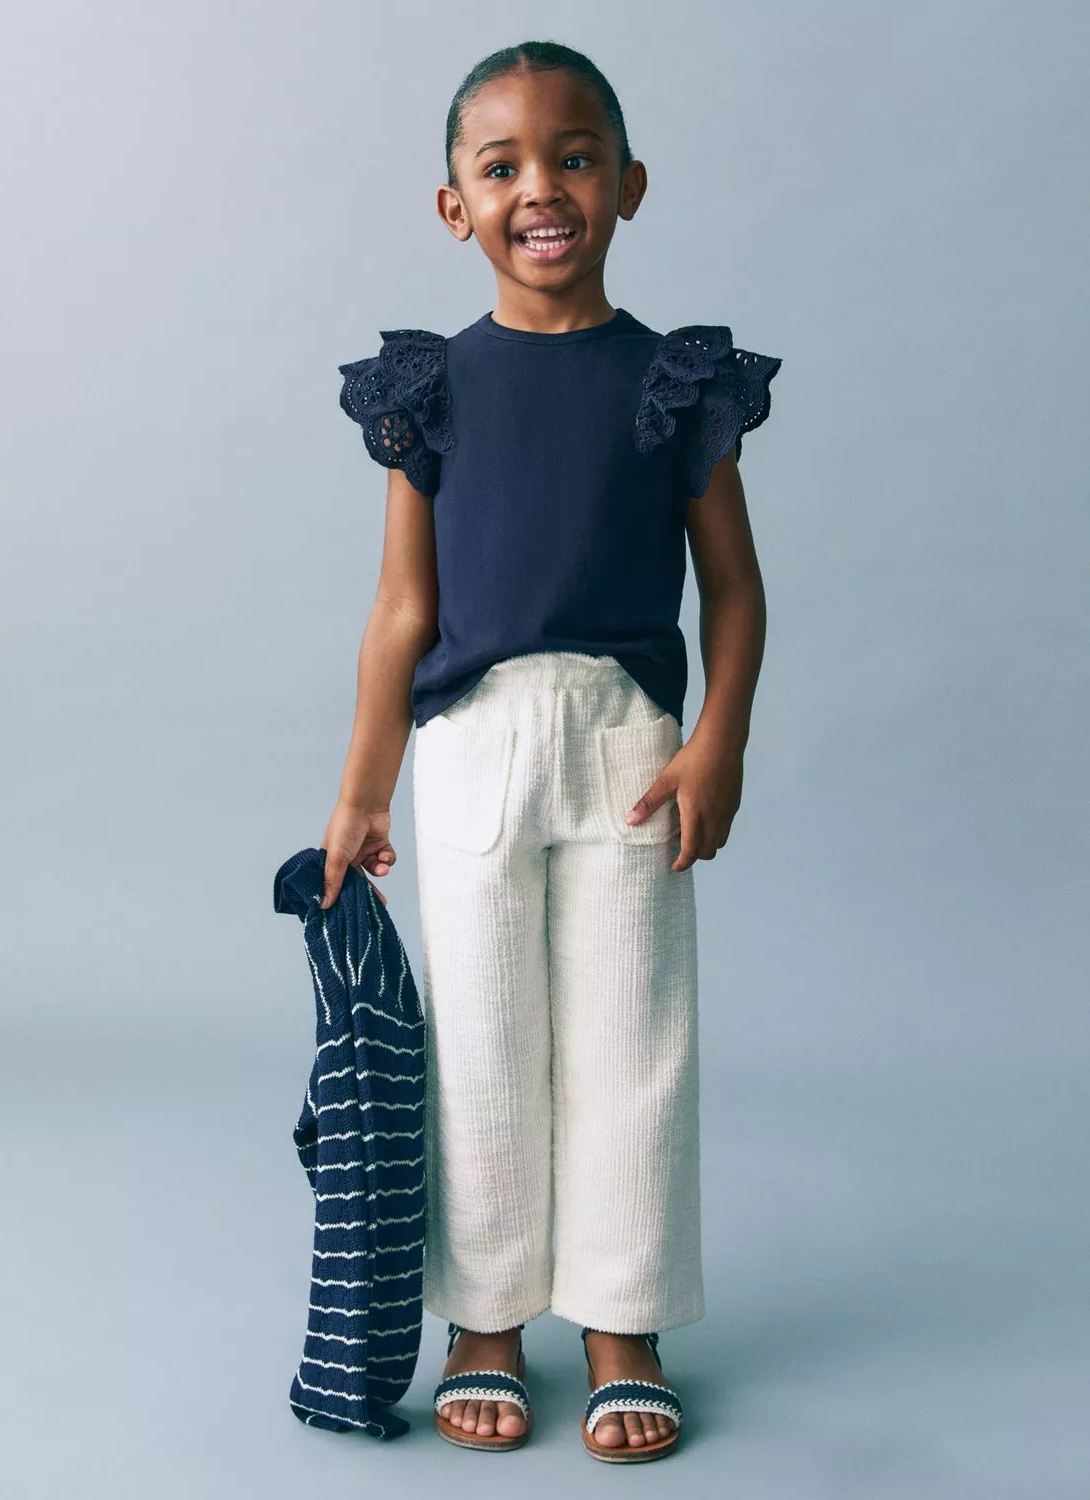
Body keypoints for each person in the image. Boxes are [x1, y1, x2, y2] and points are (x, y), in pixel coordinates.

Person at [318, 39, 781, 1461]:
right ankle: (487, 1315)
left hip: (630, 744)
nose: (541, 187)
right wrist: (362, 791)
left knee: (634, 1031)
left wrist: (718, 743)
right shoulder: (432, 389)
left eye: (575, 158)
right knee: (484, 1035)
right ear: (455, 205)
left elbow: (734, 590)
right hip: (472, 748)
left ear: (628, 184)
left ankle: (623, 1317)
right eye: (502, 164)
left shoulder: (674, 381)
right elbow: (403, 610)